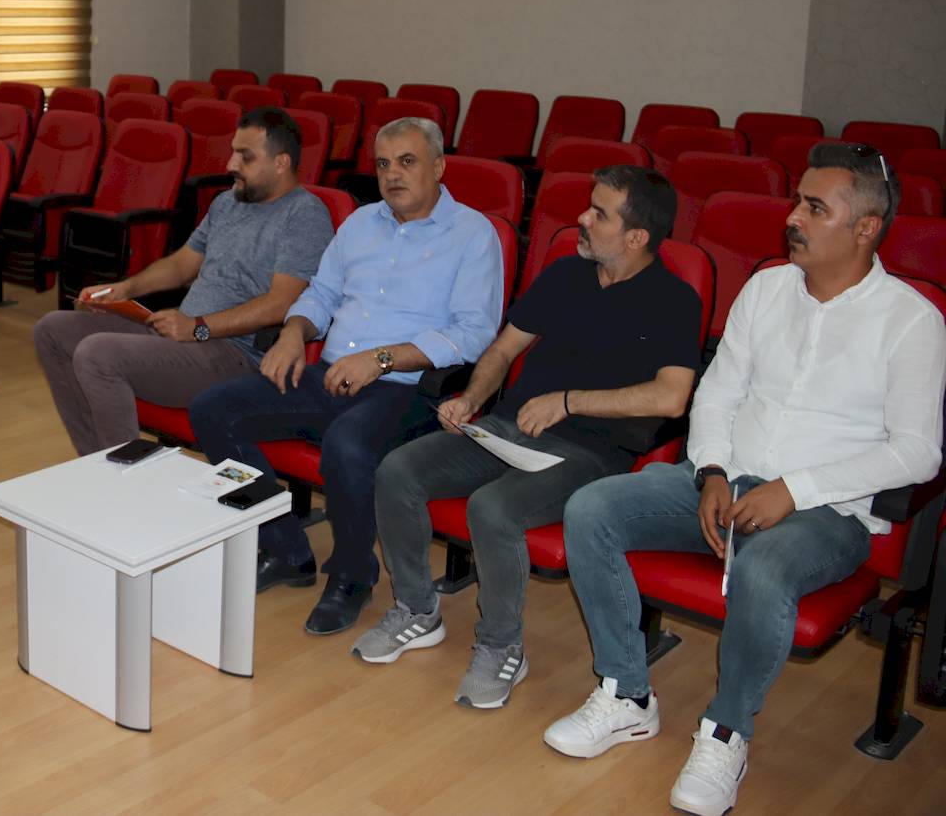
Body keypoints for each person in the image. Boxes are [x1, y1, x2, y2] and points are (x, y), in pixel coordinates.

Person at [543, 143, 944, 816]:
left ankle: (726, 731)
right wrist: (712, 470)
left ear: (866, 227)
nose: (792, 218)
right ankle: (626, 693)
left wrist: (794, 488)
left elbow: (918, 453)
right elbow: (718, 394)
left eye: (814, 208)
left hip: (827, 512)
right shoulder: (766, 288)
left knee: (764, 567)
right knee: (592, 508)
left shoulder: (912, 320)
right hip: (725, 480)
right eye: (797, 202)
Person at [357, 166, 700, 711]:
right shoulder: (566, 274)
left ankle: (502, 648)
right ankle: (417, 610)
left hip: (589, 452)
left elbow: (672, 397)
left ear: (637, 237)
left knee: (494, 509)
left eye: (600, 214)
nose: (582, 218)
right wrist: (472, 398)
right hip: (505, 429)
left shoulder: (674, 300)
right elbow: (503, 349)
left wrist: (568, 401)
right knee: (398, 471)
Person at [188, 116, 503, 636]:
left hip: (408, 391)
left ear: (439, 167)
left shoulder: (473, 235)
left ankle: (352, 575)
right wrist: (294, 332)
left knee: (347, 445)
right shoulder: (359, 223)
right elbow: (320, 294)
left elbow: (472, 333)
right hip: (332, 375)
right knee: (213, 409)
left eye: (407, 162)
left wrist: (380, 360)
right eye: (383, 164)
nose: (393, 174)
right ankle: (284, 547)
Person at [34, 107, 334, 456]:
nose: (231, 164)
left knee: (97, 354)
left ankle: (126, 477)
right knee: (51, 330)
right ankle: (97, 461)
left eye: (246, 156)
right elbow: (180, 266)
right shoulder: (228, 202)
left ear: (281, 163)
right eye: (233, 152)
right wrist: (122, 290)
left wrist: (199, 327)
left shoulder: (305, 215)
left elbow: (281, 303)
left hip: (233, 352)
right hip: (183, 334)